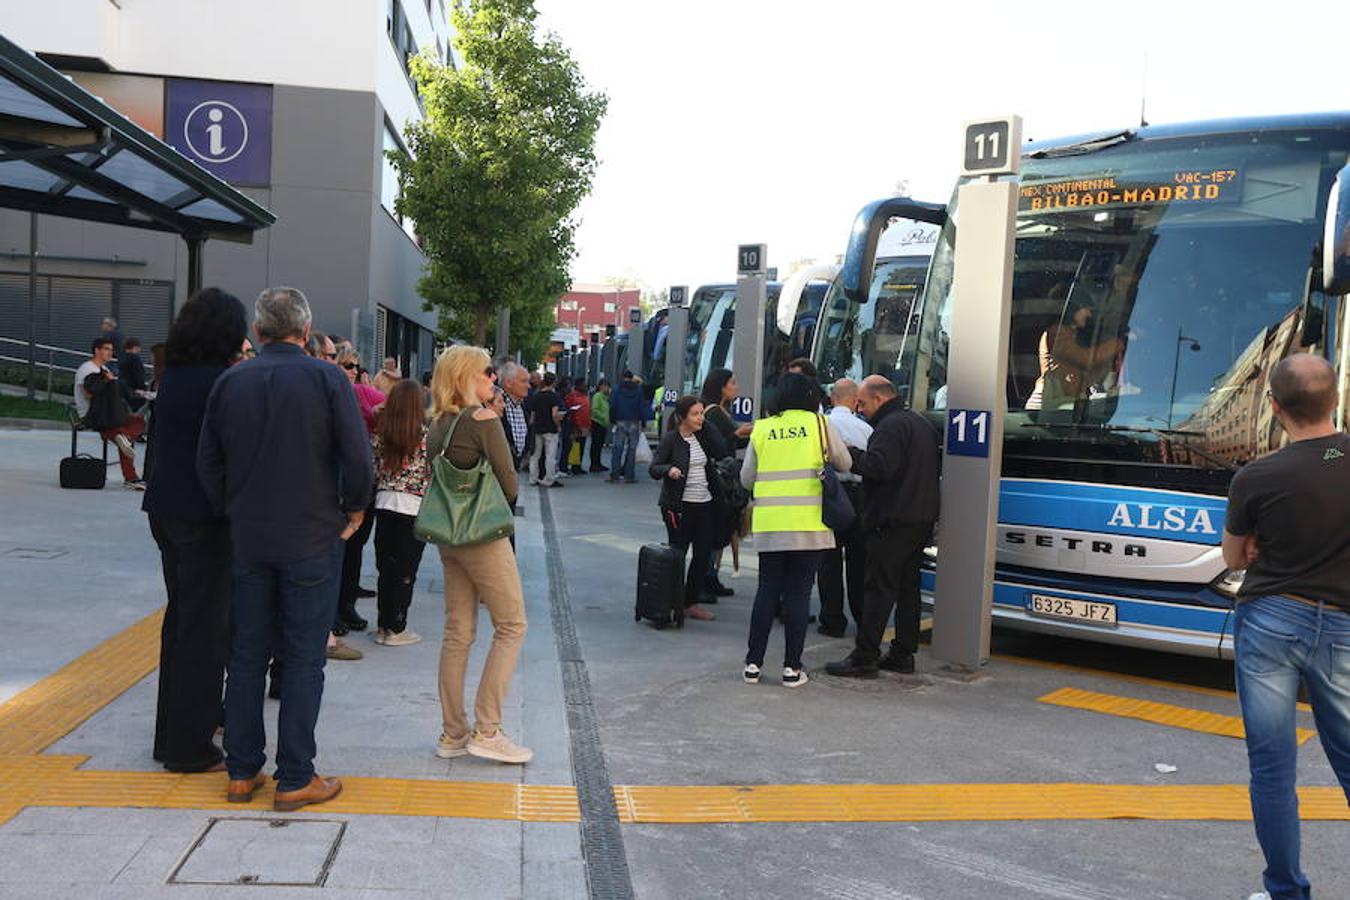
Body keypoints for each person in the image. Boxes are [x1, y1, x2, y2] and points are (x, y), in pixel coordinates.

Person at [197, 286, 372, 812]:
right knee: (302, 658)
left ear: (258, 330)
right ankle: (295, 775)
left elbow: (208, 462)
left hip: (249, 537)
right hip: (312, 535)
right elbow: (356, 455)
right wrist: (355, 508)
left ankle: (241, 770)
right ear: (306, 329)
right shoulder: (327, 378)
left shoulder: (231, 381)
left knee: (246, 654)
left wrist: (233, 509)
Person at [1221, 354, 1350, 900]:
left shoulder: (1257, 476)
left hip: (1272, 619)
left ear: (1274, 408)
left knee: (1272, 769)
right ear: (1336, 400)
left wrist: (1257, 542)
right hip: (1344, 627)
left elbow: (1233, 557)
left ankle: (1287, 893)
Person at [143, 287, 247, 774]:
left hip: (166, 510)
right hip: (205, 516)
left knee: (181, 622)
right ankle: (191, 747)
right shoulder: (222, 383)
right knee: (206, 631)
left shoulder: (175, 376)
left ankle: (169, 737)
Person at [427, 345, 532, 765]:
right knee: (512, 625)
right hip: (483, 535)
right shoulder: (484, 419)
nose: (493, 378)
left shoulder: (439, 422)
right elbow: (510, 483)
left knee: (458, 632)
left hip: (448, 534)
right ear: (467, 376)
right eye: (487, 371)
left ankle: (453, 732)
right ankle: (488, 730)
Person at [740, 373, 853, 687]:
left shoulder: (763, 429)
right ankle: (792, 668)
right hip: (808, 524)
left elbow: (746, 479)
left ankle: (752, 664)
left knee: (767, 591)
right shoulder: (820, 425)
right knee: (799, 594)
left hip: (770, 524)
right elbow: (845, 464)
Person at [825, 375, 939, 678]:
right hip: (920, 517)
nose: (859, 409)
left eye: (862, 403)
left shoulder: (890, 427)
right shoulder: (920, 424)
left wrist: (848, 453)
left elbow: (879, 467)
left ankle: (865, 656)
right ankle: (903, 653)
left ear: (879, 398)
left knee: (878, 588)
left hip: (892, 519)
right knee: (908, 588)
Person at [649, 396, 729, 622]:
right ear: (682, 416)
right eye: (695, 414)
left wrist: (706, 424)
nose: (700, 418)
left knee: (703, 555)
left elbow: (722, 449)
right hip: (679, 507)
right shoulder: (671, 439)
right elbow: (654, 468)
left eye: (702, 413)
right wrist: (669, 470)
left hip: (704, 504)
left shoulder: (702, 436)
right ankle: (671, 601)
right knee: (678, 554)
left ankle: (690, 602)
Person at [370, 379, 430, 647]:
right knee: (406, 570)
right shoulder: (424, 435)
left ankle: (383, 625)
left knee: (386, 567)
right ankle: (397, 627)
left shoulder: (383, 433)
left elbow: (374, 467)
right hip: (412, 505)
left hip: (384, 502)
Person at [334, 347, 385, 635]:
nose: (354, 370)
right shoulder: (335, 394)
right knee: (339, 550)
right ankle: (335, 612)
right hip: (339, 484)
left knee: (353, 549)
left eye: (356, 365)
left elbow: (392, 404)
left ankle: (346, 604)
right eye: (348, 365)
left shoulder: (360, 392)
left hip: (364, 482)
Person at [816, 378, 873, 637]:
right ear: (855, 401)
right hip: (859, 497)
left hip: (831, 494)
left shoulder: (822, 425)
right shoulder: (866, 429)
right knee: (859, 562)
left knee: (828, 561)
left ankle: (832, 620)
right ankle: (862, 619)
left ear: (832, 398)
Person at [698, 367, 753, 597]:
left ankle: (710, 576)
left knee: (717, 528)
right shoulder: (715, 413)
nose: (736, 387)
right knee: (714, 529)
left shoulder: (718, 411)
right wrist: (738, 434)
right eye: (732, 383)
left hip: (717, 477)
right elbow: (718, 444)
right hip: (716, 479)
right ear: (721, 387)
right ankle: (704, 579)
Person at [74, 336, 146, 488]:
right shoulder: (87, 369)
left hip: (107, 413)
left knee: (138, 422)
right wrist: (107, 383)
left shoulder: (105, 369)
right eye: (106, 349)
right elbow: (88, 394)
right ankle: (130, 476)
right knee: (122, 433)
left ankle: (120, 437)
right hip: (91, 414)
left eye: (111, 350)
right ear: (96, 351)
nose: (110, 353)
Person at [1027, 299, 1124, 411]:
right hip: (1050, 402)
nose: (1088, 313)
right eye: (1085, 309)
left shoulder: (1072, 335)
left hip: (1065, 402)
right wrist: (1117, 343)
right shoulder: (1057, 333)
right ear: (1072, 311)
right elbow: (1086, 358)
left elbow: (1086, 374)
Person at [609, 370, 651, 484]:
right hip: (634, 421)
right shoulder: (638, 390)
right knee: (632, 449)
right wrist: (643, 422)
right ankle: (629, 476)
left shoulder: (617, 389)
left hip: (620, 420)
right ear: (632, 378)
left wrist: (612, 420)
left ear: (623, 377)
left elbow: (612, 405)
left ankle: (615, 475)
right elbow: (641, 406)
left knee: (618, 448)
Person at [528, 372, 565, 487]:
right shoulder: (554, 396)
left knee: (535, 455)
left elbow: (532, 415)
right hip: (550, 429)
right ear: (554, 383)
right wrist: (558, 425)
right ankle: (549, 479)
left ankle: (533, 478)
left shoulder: (536, 395)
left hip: (537, 429)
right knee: (550, 456)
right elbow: (554, 414)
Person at [498, 361, 530, 468]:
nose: (528, 386)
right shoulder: (496, 404)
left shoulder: (523, 405)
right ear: (508, 383)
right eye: (523, 381)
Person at [564, 380, 592, 474]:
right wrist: (576, 424)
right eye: (584, 385)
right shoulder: (572, 396)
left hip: (584, 424)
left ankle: (577, 465)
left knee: (581, 445)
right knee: (576, 445)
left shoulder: (584, 396)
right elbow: (570, 410)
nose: (586, 387)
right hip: (576, 425)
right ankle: (574, 466)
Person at [119, 337, 149, 413]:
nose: (140, 350)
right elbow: (138, 375)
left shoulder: (122, 357)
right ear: (135, 347)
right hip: (135, 391)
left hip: (123, 389)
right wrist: (143, 388)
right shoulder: (135, 358)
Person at [589, 378, 611, 474]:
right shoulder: (597, 396)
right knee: (596, 444)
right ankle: (594, 464)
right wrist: (603, 417)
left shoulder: (605, 397)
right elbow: (594, 409)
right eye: (606, 386)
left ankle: (598, 463)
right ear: (601, 386)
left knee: (599, 444)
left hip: (603, 424)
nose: (608, 389)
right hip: (597, 422)